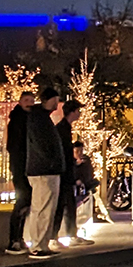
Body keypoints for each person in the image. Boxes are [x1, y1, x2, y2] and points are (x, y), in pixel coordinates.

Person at [23, 91, 67, 255]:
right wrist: (51, 161)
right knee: (43, 209)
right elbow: (42, 144)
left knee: (44, 209)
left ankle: (41, 244)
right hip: (44, 171)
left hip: (44, 169)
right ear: (47, 100)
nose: (57, 104)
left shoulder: (39, 117)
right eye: (55, 100)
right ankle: (38, 246)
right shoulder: (39, 119)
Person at [4, 91, 37, 248]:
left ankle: (19, 238)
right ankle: (14, 239)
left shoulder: (30, 119)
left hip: (27, 166)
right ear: (20, 101)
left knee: (26, 201)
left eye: (32, 100)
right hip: (20, 167)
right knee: (22, 200)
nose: (30, 103)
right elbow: (14, 146)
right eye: (26, 100)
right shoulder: (17, 120)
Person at [54, 99, 82, 245]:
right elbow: (63, 152)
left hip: (64, 172)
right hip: (64, 173)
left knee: (68, 204)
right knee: (62, 205)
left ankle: (68, 234)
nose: (80, 114)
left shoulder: (64, 127)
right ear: (72, 112)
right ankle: (56, 236)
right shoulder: (63, 129)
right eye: (78, 111)